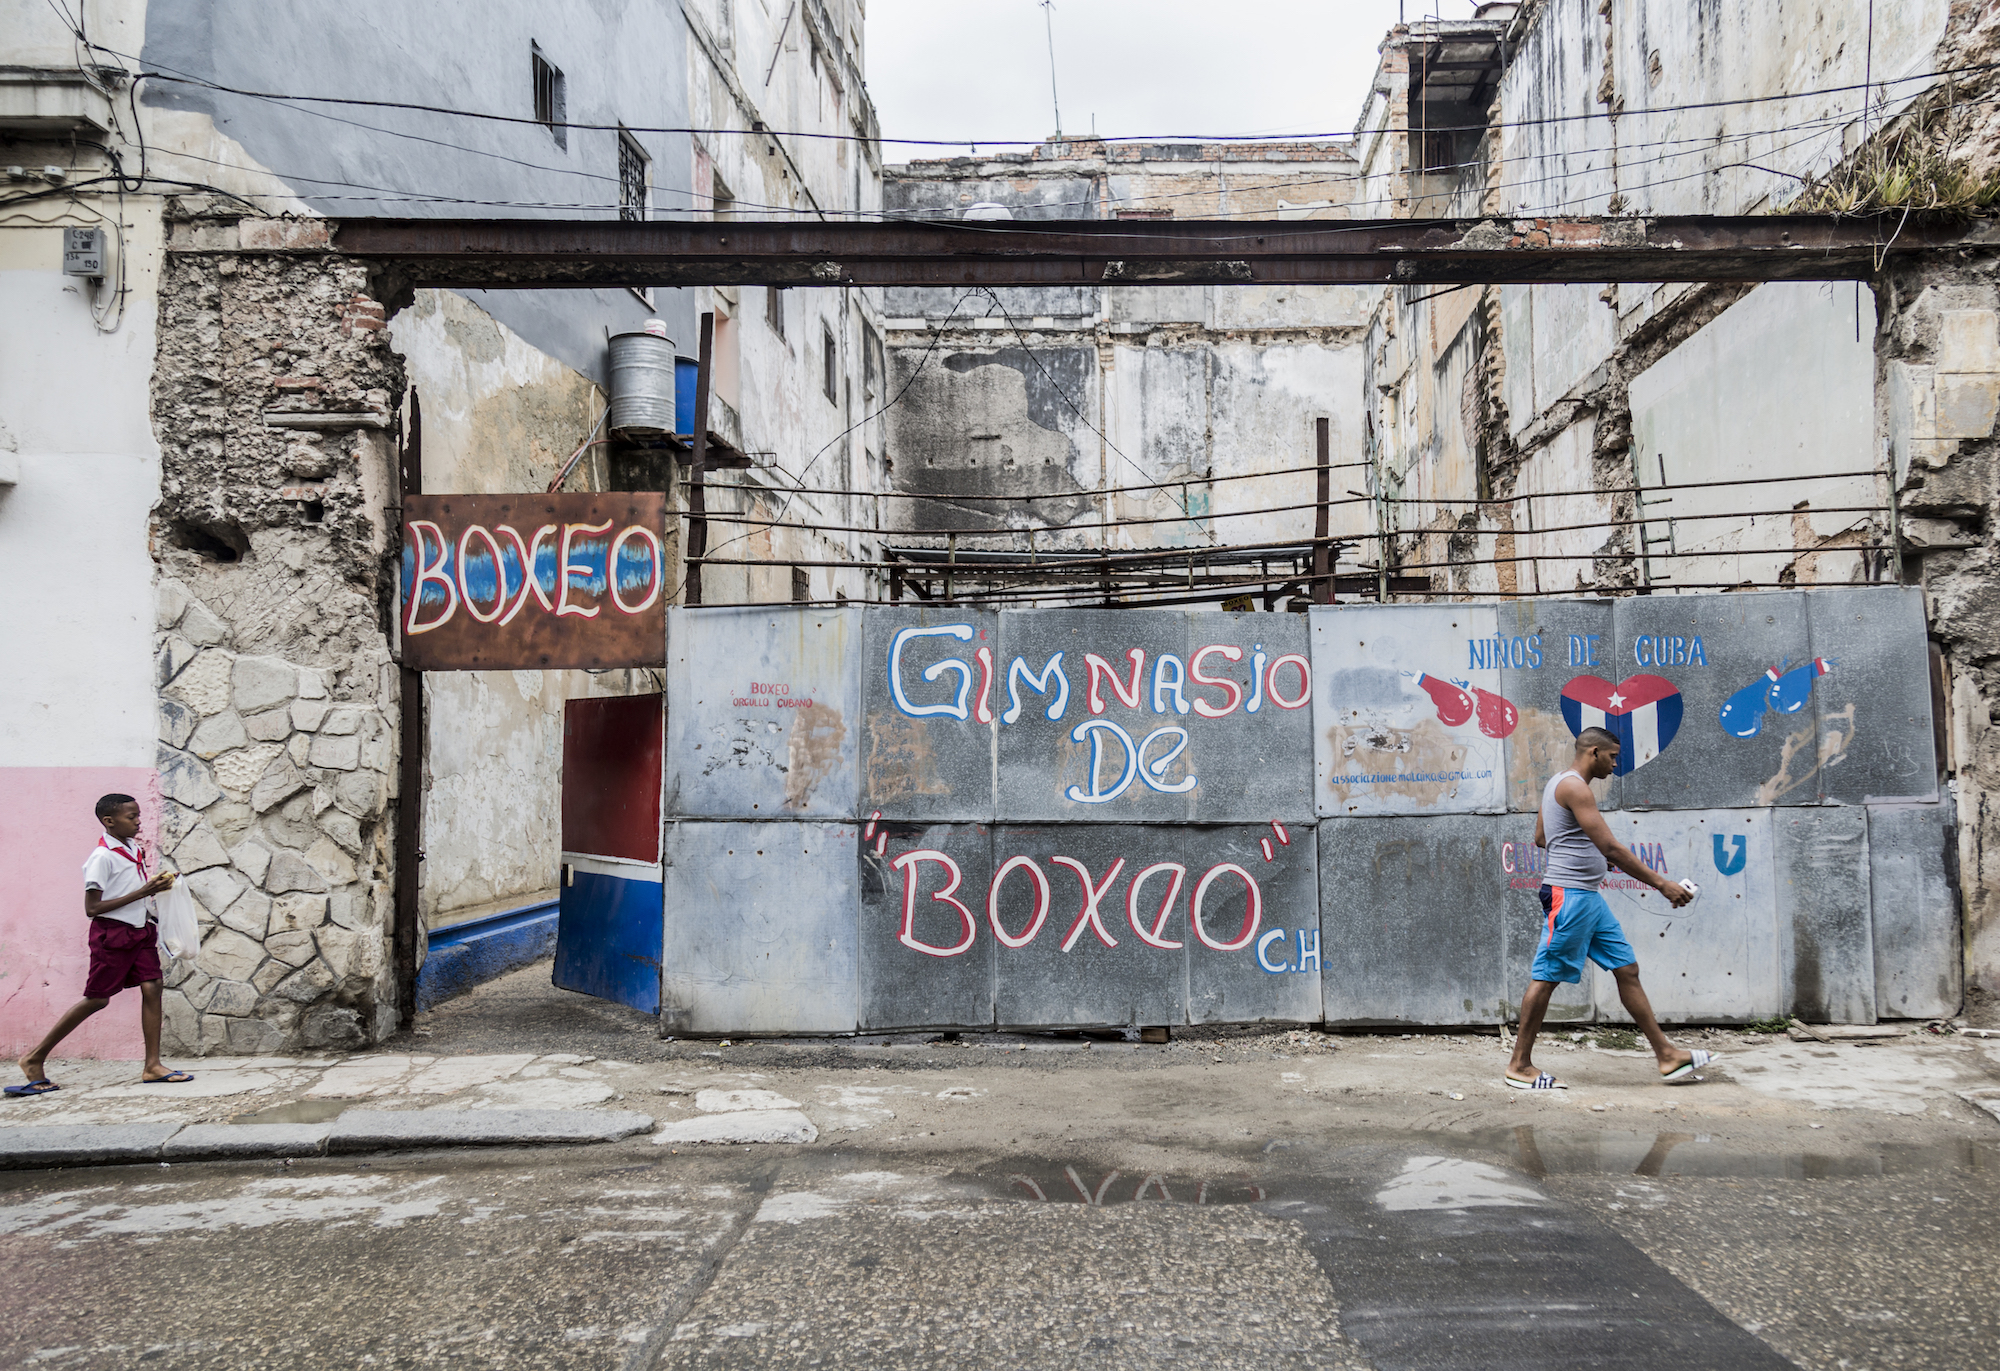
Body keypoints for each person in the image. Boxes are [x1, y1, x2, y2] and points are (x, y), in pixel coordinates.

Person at [1506, 727, 1715, 1090]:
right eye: (1612, 756)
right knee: (1547, 976)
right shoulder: (1575, 787)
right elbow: (1612, 848)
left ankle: (1666, 1056)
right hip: (1569, 897)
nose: (1616, 764)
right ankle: (1519, 1066)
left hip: (1586, 896)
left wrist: (1586, 855)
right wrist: (1663, 885)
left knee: (1626, 968)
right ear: (1594, 752)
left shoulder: (1558, 782)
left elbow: (1543, 838)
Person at [7, 793, 194, 1097]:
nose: (138, 821)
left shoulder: (133, 849)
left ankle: (152, 1065)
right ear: (109, 821)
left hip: (139, 932)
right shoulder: (101, 857)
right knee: (97, 999)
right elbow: (92, 908)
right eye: (131, 817)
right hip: (113, 936)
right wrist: (144, 890)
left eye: (138, 815)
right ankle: (33, 1058)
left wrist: (156, 897)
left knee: (153, 987)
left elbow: (133, 890)